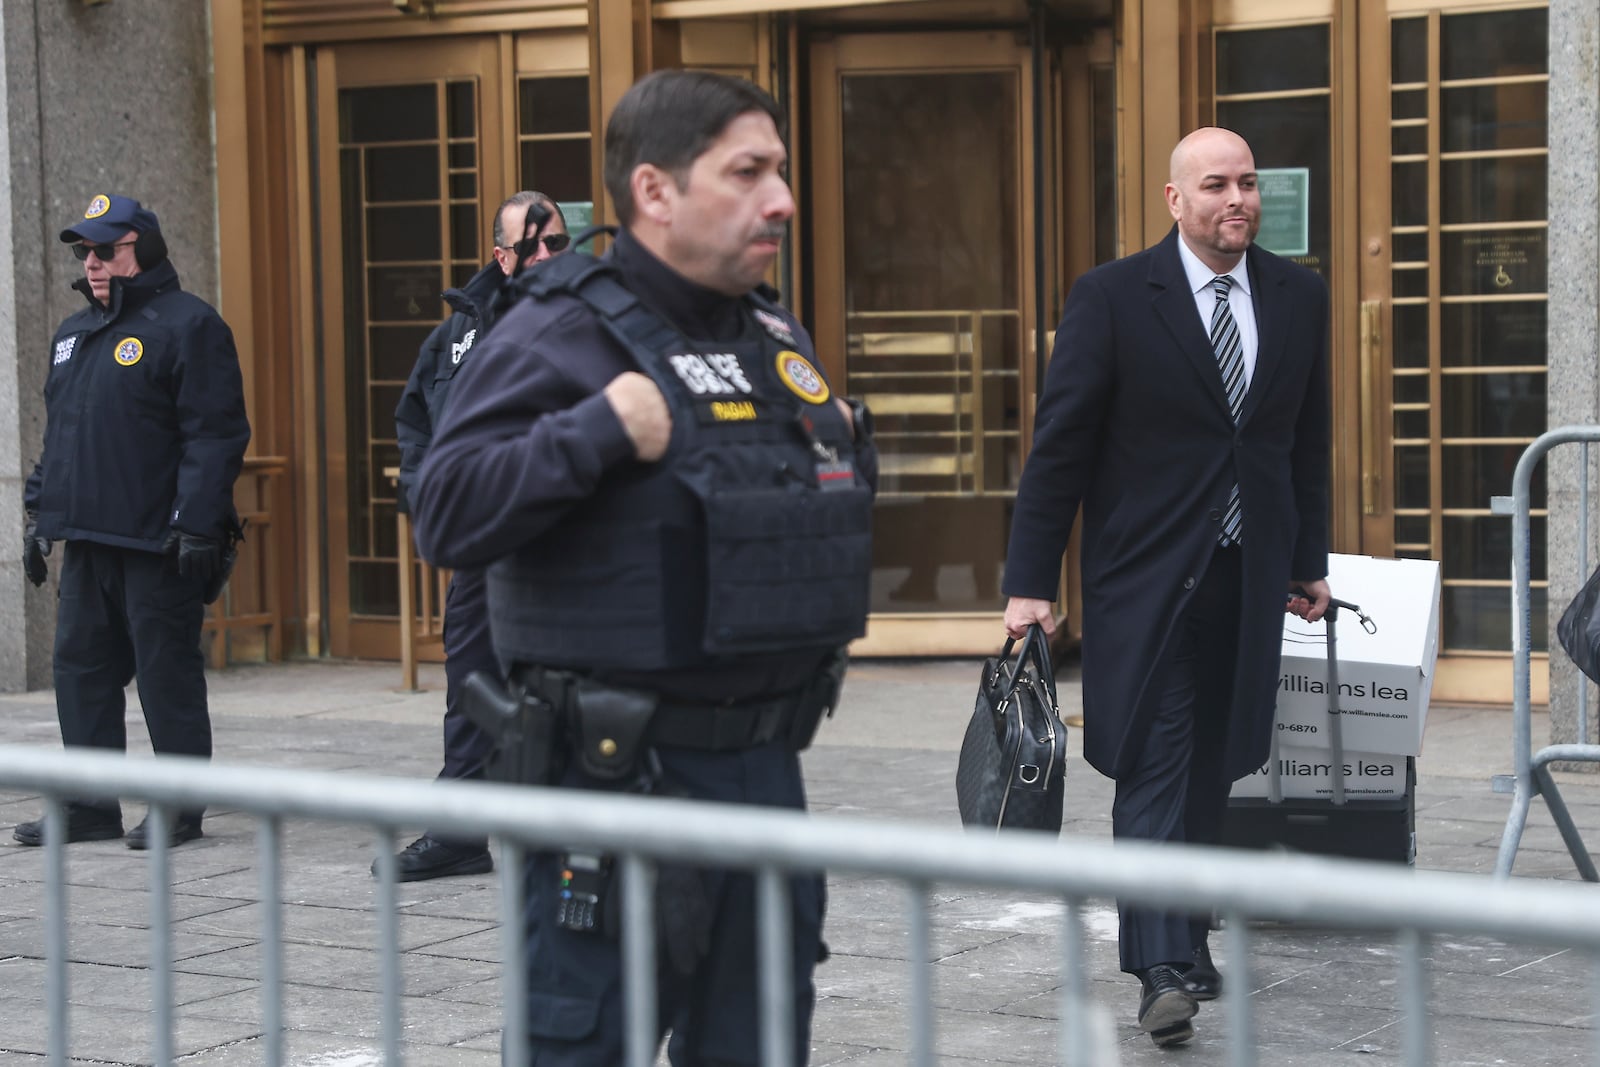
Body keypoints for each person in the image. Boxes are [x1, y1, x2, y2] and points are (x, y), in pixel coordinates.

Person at [411, 70, 876, 1065]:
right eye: (748, 171)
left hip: (760, 776)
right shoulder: (558, 329)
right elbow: (445, 508)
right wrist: (595, 430)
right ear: (656, 191)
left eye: (780, 172)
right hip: (612, 787)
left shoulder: (768, 331)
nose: (782, 199)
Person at [1001, 127, 1333, 1049]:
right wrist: (1029, 580)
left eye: (1250, 183)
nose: (1239, 200)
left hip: (1249, 570)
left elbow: (1303, 442)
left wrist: (1309, 559)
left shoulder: (1298, 296)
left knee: (1218, 757)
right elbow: (1059, 447)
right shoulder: (1112, 298)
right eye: (1217, 185)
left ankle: (1182, 929)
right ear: (1174, 199)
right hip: (1144, 579)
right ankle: (1159, 967)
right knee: (1155, 755)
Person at [13, 194, 251, 850]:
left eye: (105, 249)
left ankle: (179, 808)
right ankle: (89, 806)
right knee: (80, 670)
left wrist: (198, 523)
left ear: (142, 248)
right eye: (84, 252)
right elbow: (61, 435)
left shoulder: (189, 325)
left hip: (158, 540)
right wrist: (39, 512)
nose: (90, 263)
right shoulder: (73, 335)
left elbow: (215, 434)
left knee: (164, 672)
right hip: (88, 537)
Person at [382, 190, 570, 882]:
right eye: (537, 245)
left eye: (560, 243)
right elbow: (417, 420)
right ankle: (461, 832)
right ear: (502, 256)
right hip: (484, 545)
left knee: (571, 689)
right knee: (471, 687)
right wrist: (429, 501)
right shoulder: (460, 328)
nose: (551, 255)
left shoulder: (591, 318)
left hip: (562, 542)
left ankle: (583, 833)